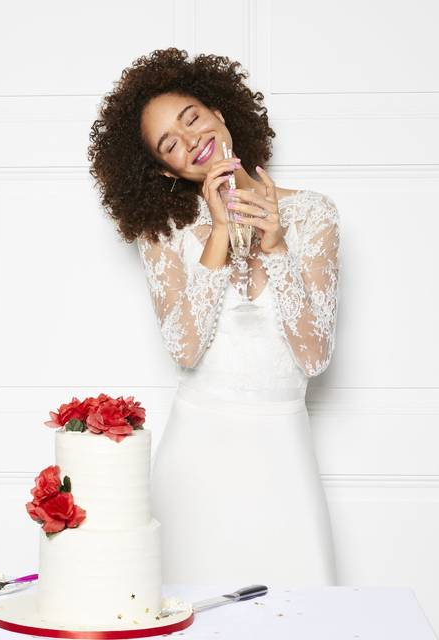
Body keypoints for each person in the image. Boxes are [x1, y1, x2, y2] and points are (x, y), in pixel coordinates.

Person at [87, 48, 340, 586]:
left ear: (221, 113)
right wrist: (220, 232)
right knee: (183, 608)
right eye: (169, 145)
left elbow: (315, 357)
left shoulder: (313, 212)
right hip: (197, 452)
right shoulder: (163, 233)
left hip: (281, 447)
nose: (191, 141)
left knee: (298, 609)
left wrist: (274, 245)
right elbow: (185, 348)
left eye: (192, 118)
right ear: (164, 167)